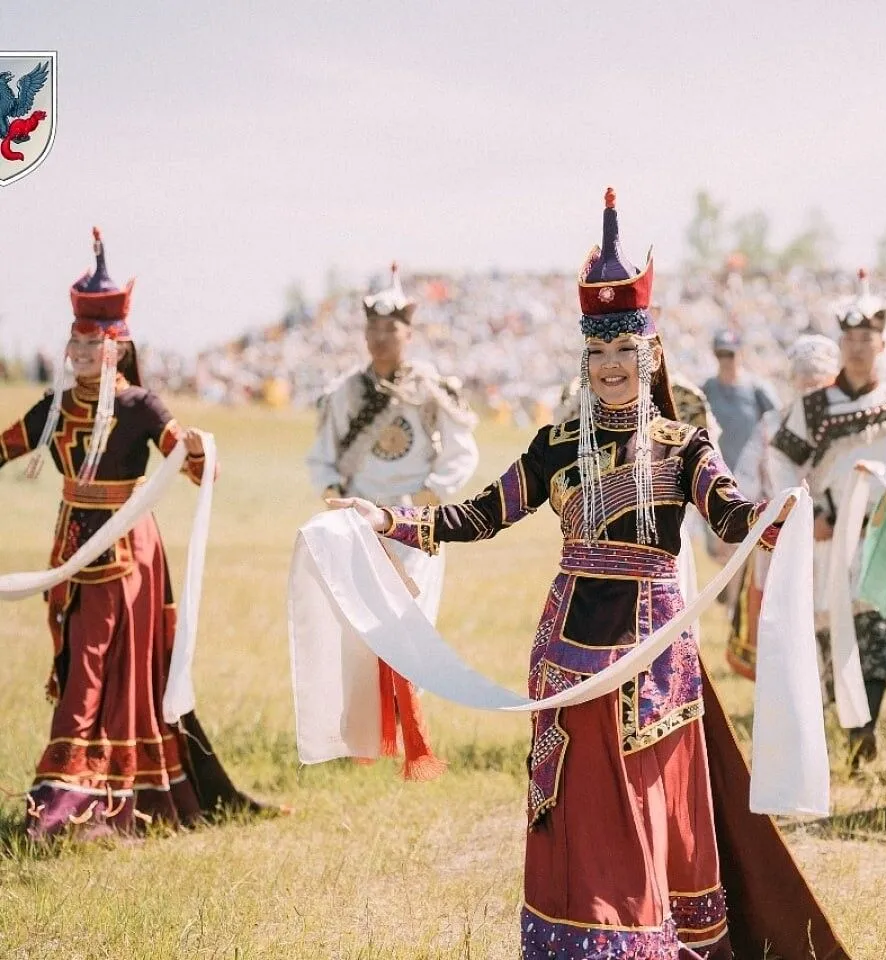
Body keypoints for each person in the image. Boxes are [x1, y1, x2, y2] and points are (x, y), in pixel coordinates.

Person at [333, 190, 848, 960]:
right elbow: (479, 514)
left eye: (625, 351)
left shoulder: (682, 444)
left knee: (647, 807)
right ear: (586, 357)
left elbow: (732, 515)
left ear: (651, 354)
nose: (611, 367)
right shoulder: (555, 444)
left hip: (653, 662)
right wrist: (389, 520)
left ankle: (651, 940)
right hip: (567, 655)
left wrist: (775, 514)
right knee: (581, 814)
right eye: (598, 352)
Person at [0, 229, 259, 838]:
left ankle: (65, 800)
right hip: (69, 554)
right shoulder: (54, 407)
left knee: (96, 665)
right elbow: (5, 447)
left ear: (116, 344)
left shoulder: (142, 405)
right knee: (78, 660)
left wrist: (197, 449)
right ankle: (85, 792)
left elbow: (199, 469)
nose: (81, 352)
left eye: (92, 342)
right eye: (75, 341)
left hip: (127, 553)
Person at [306, 263, 479, 778]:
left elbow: (462, 451)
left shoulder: (430, 389)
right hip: (358, 522)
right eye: (373, 329)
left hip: (413, 523)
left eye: (392, 329)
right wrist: (333, 491)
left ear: (409, 332)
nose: (381, 339)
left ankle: (411, 729)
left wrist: (431, 494)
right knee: (358, 626)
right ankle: (363, 732)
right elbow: (322, 454)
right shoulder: (346, 392)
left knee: (410, 620)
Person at [762, 270, 886, 769]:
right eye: (851, 339)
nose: (859, 348)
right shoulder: (816, 406)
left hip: (881, 534)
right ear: (841, 343)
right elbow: (781, 459)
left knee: (878, 630)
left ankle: (867, 731)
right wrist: (802, 508)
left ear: (883, 344)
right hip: (827, 533)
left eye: (868, 339)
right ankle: (837, 723)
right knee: (829, 634)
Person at [728, 333, 839, 679]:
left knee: (826, 609)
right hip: (778, 532)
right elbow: (747, 473)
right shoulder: (772, 423)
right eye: (803, 382)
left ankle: (827, 688)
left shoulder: (840, 423)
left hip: (827, 533)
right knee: (781, 611)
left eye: (817, 383)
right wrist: (754, 512)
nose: (809, 390)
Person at [700, 328, 775, 476]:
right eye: (720, 354)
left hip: (751, 477)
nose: (725, 360)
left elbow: (776, 427)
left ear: (741, 353)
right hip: (716, 474)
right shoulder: (706, 390)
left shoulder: (757, 390)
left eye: (730, 354)